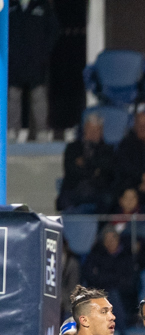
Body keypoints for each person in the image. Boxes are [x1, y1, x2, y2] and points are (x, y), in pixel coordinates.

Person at [8, 0, 58, 140]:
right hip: (14, 62)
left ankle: (42, 132)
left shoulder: (41, 5)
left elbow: (53, 29)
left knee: (38, 96)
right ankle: (12, 131)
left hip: (36, 61)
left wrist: (44, 53)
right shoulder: (10, 6)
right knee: (13, 97)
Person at [58, 113, 116, 211]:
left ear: (101, 132)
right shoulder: (72, 148)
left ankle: (100, 226)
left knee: (109, 199)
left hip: (98, 190)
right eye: (90, 129)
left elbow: (107, 171)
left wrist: (85, 163)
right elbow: (70, 171)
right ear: (85, 129)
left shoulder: (108, 150)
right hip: (75, 188)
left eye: (96, 130)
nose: (93, 133)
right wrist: (94, 170)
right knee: (64, 201)